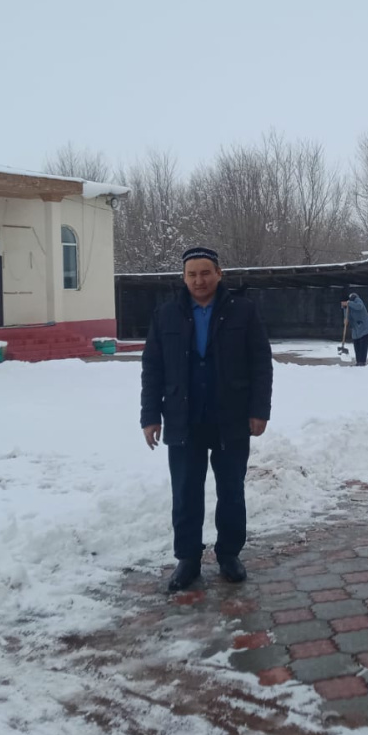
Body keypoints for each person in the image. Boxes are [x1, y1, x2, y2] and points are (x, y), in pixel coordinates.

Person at [140, 246, 273, 592]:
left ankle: (229, 554)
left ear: (219, 274)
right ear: (183, 277)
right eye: (192, 274)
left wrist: (259, 410)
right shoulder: (166, 314)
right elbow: (152, 368)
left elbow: (261, 362)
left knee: (231, 491)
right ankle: (188, 558)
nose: (199, 280)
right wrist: (150, 415)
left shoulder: (243, 311)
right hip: (183, 418)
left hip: (231, 417)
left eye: (205, 273)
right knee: (185, 492)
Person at [341, 291, 368, 366]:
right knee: (357, 346)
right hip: (356, 331)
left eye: (343, 303)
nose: (342, 305)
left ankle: (362, 362)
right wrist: (346, 320)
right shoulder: (345, 307)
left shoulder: (356, 300)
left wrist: (349, 303)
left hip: (365, 328)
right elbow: (346, 316)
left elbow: (359, 306)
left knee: (363, 347)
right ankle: (358, 362)